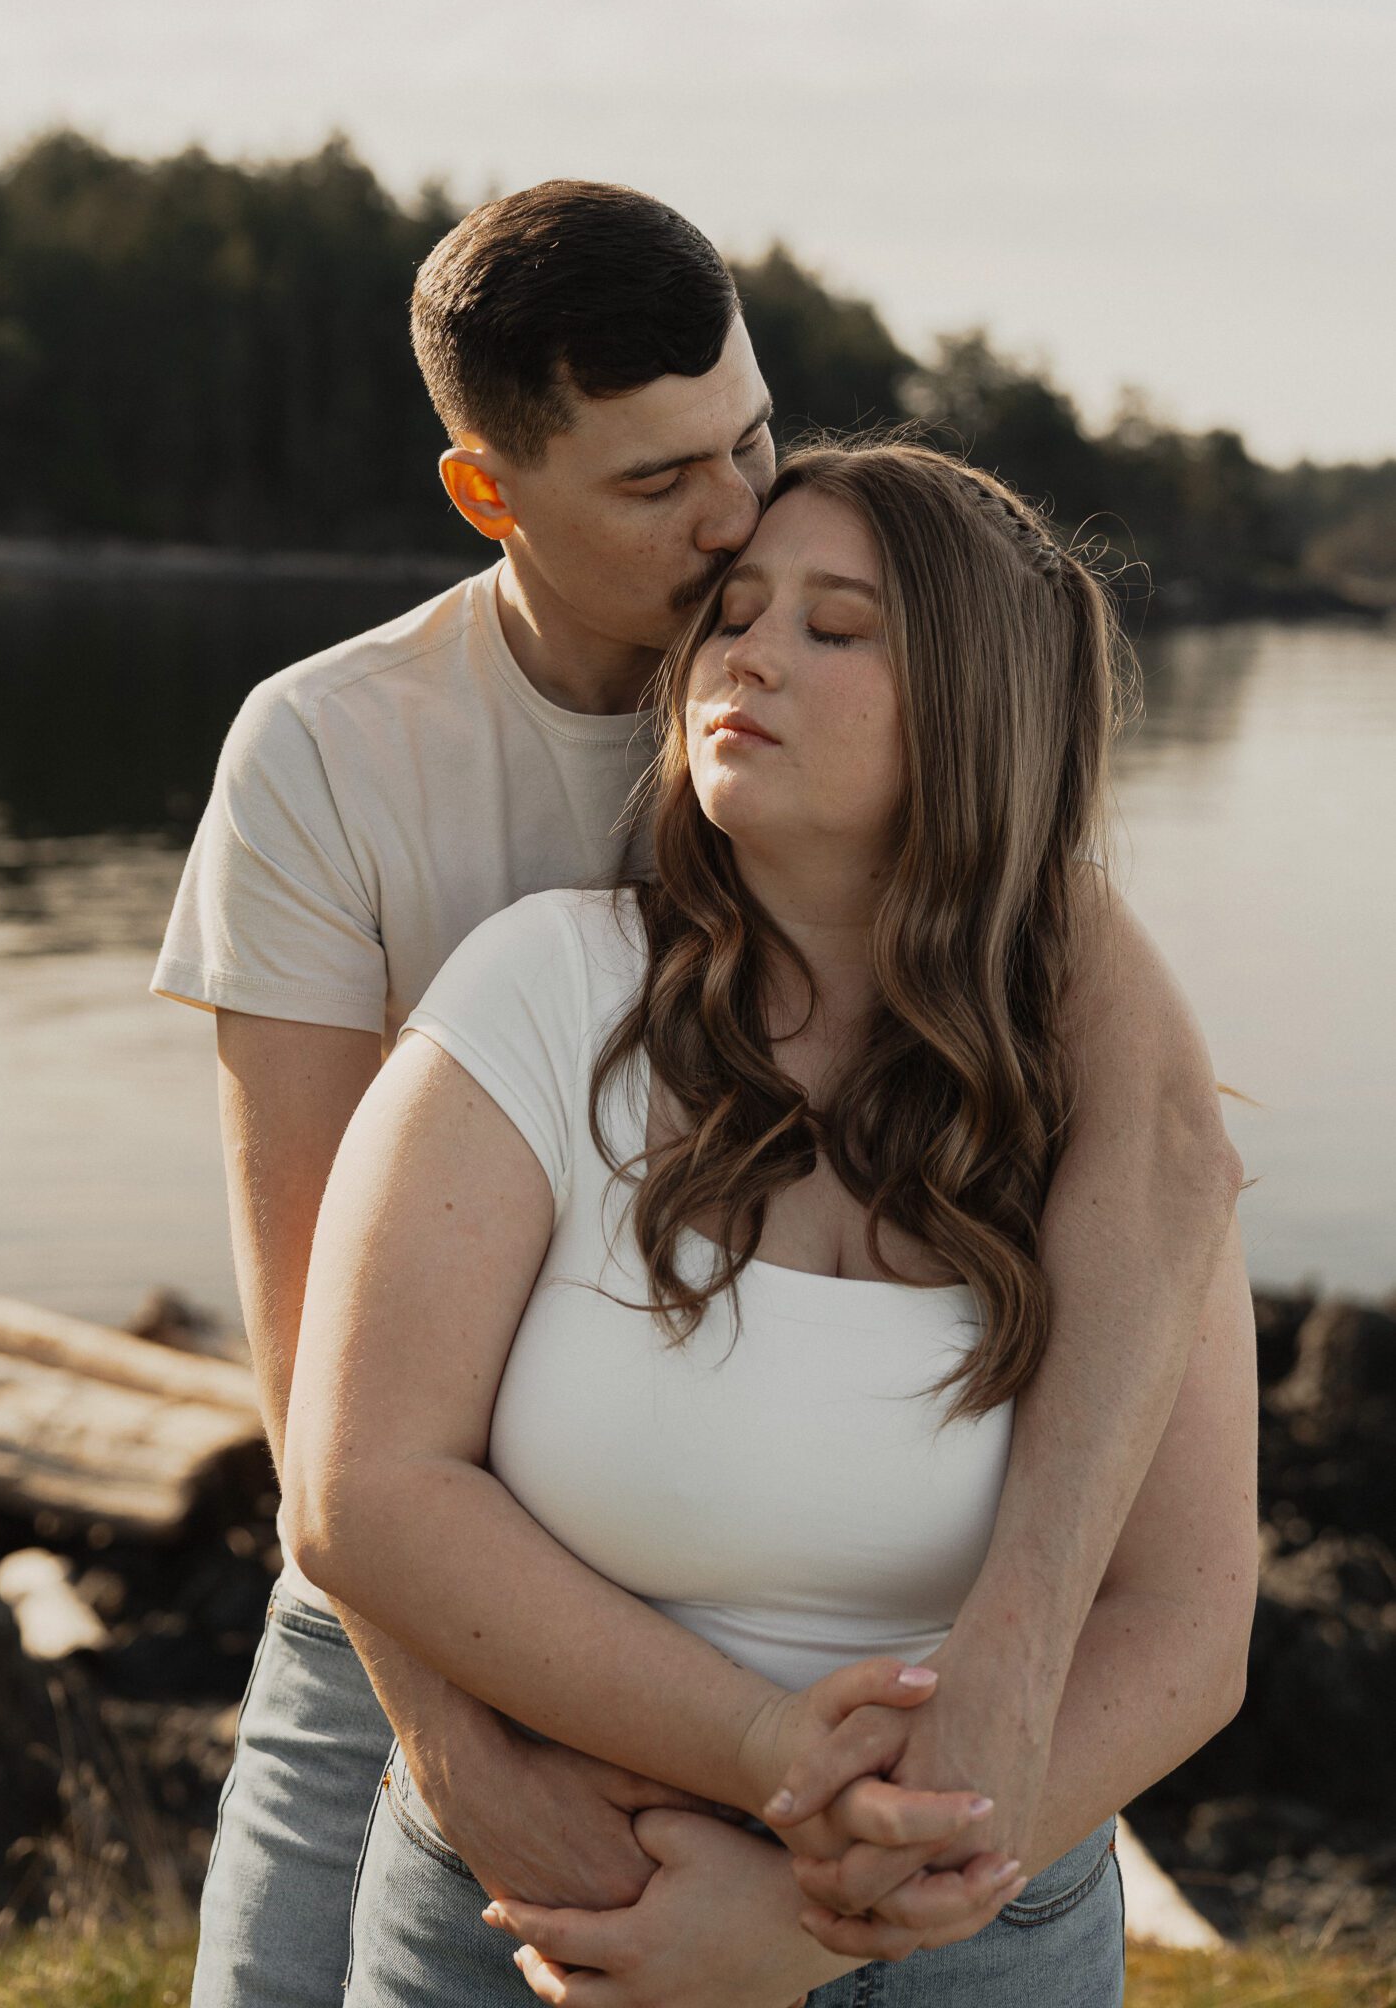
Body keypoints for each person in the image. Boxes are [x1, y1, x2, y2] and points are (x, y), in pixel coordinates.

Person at [152, 183, 1244, 2008]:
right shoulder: (338, 753)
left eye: (748, 440)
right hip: (430, 1613)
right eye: (663, 493)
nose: (734, 519)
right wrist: (454, 1745)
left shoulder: (859, 691)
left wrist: (961, 1733)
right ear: (492, 494)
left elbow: (1165, 1148)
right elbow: (323, 1396)